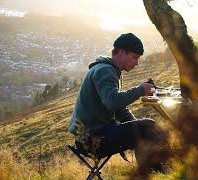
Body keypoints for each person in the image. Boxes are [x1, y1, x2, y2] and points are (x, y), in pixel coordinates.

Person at [68, 33, 169, 173]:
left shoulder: (109, 70)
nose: (137, 63)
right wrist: (140, 90)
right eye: (135, 57)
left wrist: (137, 125)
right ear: (121, 52)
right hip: (91, 140)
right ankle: (161, 171)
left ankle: (157, 172)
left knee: (145, 128)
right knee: (149, 127)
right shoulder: (105, 71)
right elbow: (113, 103)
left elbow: (118, 109)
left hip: (92, 135)